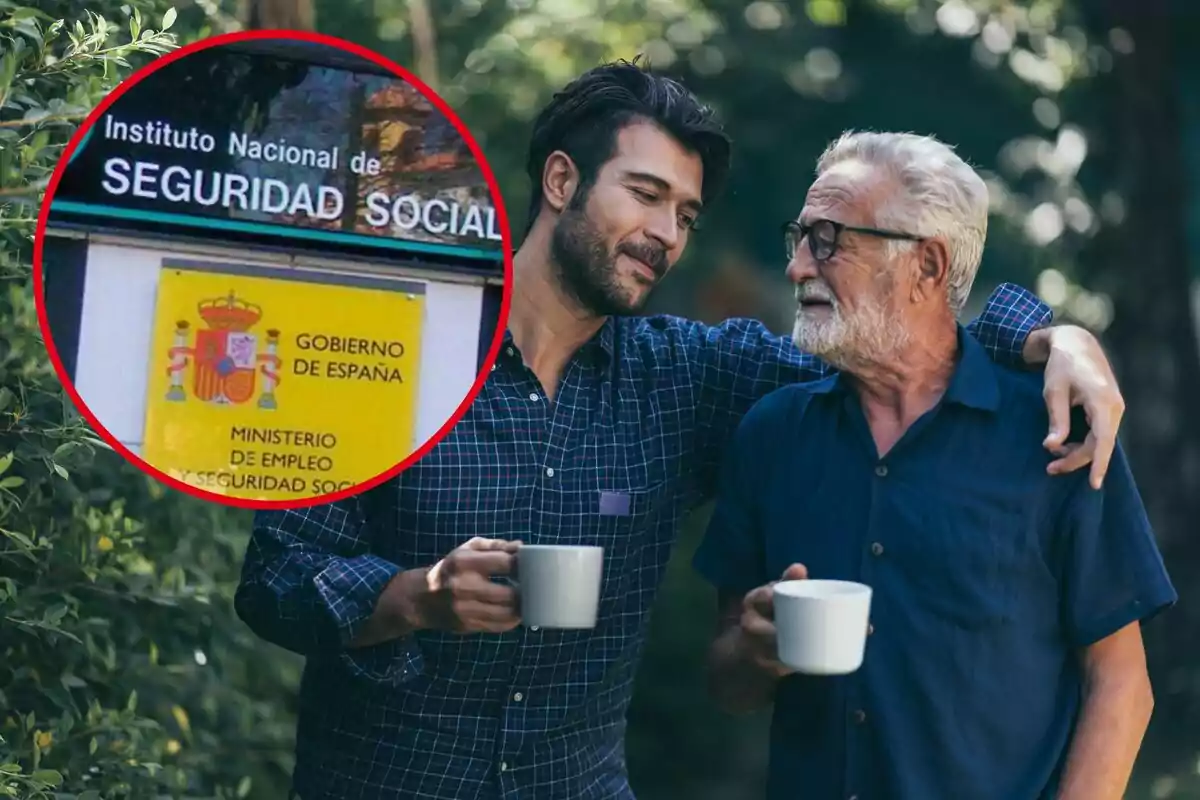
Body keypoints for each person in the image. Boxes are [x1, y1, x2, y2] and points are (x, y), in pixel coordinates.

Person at [234, 61, 1128, 800]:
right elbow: (275, 576)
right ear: (561, 181)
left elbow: (899, 341)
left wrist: (1051, 335)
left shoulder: (688, 379)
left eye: (686, 215)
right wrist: (415, 596)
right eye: (647, 194)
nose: (667, 234)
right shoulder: (386, 351)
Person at [693, 131, 1176, 800]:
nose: (801, 266)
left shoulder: (1057, 432)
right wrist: (754, 651)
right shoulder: (772, 435)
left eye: (830, 240)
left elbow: (1121, 683)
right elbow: (726, 682)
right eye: (799, 238)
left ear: (927, 266)